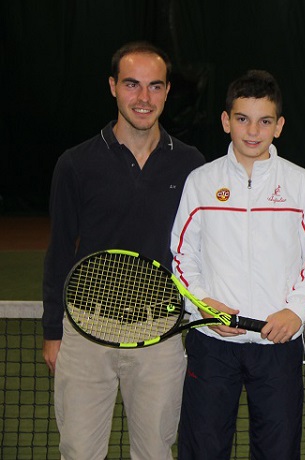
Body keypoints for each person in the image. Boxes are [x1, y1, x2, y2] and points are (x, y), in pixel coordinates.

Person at [41, 41, 205, 459]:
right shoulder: (75, 164)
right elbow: (60, 249)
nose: (143, 98)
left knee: (154, 452)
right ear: (113, 86)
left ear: (167, 92)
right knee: (79, 452)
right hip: (85, 332)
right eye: (132, 85)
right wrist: (52, 332)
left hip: (159, 335)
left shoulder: (191, 165)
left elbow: (200, 249)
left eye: (154, 86)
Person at [171, 69, 305, 459]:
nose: (252, 131)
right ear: (227, 121)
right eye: (242, 119)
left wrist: (296, 312)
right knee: (203, 451)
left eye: (264, 121)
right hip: (213, 345)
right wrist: (205, 307)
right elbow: (181, 258)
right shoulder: (201, 181)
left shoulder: (300, 183)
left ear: (279, 126)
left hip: (277, 347)